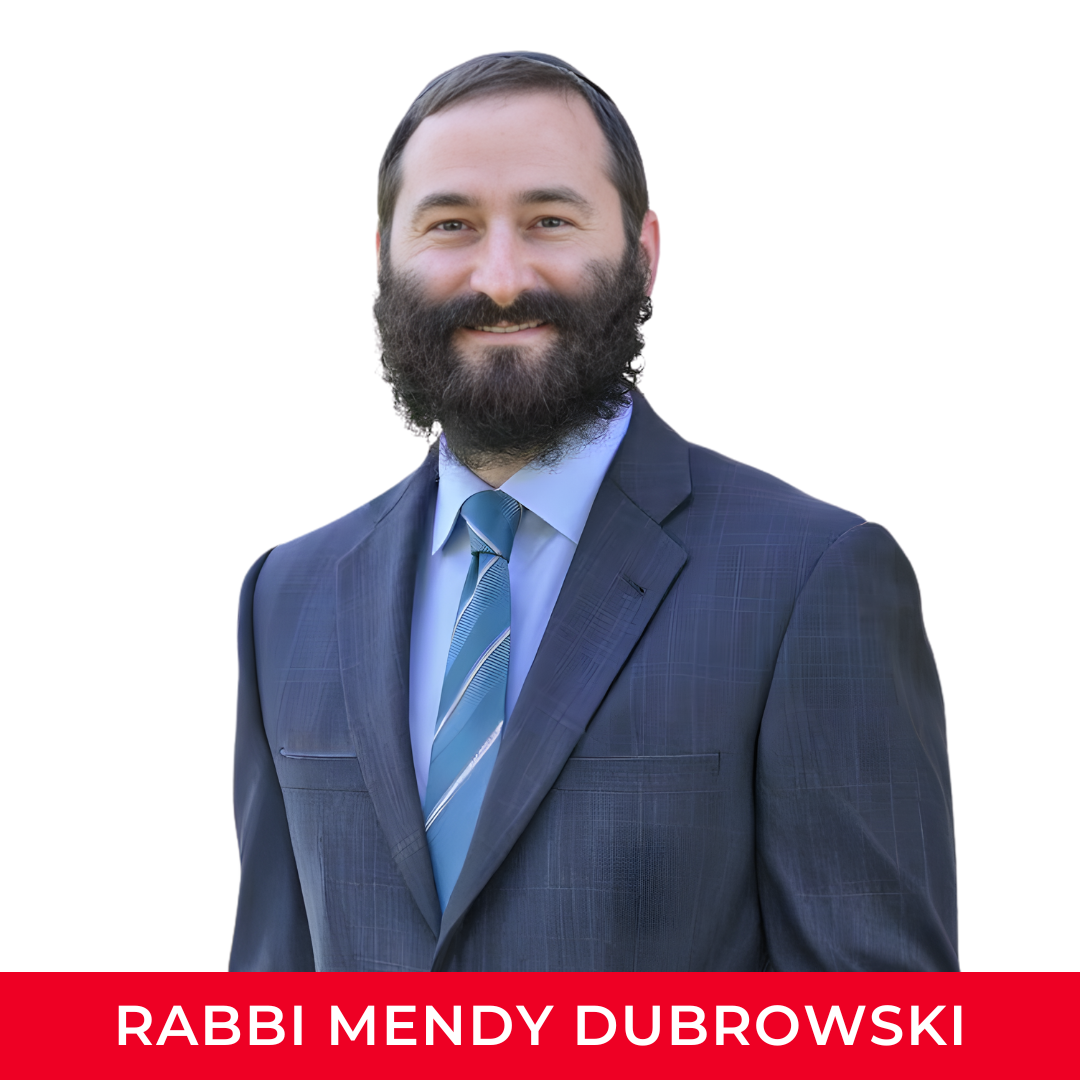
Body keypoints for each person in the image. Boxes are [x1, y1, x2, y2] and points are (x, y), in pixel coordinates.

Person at [229, 52, 958, 972]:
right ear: (384, 258)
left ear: (642, 254)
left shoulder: (812, 582)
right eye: (450, 223)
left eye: (550, 220)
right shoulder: (285, 600)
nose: (499, 277)